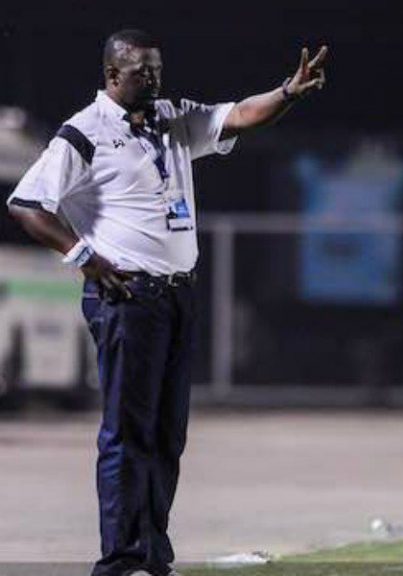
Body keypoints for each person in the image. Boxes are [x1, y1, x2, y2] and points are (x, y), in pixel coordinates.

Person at [6, 29, 328, 576]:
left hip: (176, 295)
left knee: (166, 435)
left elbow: (239, 116)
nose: (155, 79)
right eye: (142, 72)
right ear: (113, 75)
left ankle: (152, 555)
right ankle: (121, 560)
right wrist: (84, 256)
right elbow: (27, 203)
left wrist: (287, 92)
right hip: (127, 296)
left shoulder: (171, 117)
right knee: (128, 434)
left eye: (158, 69)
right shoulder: (84, 131)